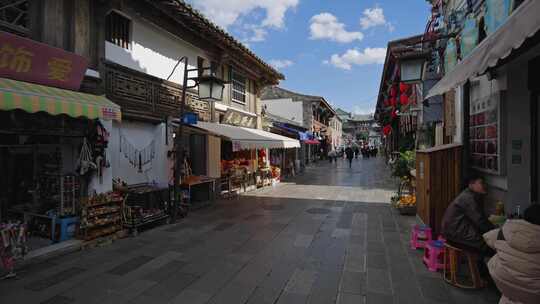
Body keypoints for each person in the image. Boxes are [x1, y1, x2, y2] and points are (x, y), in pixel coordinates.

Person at [483, 204, 540, 304]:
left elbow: (487, 236)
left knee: (496, 258)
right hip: (534, 295)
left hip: (507, 287)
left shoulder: (509, 230)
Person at [441, 175, 496, 256]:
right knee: (490, 248)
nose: (484, 185)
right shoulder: (468, 198)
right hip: (454, 235)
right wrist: (496, 231)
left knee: (487, 241)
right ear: (471, 184)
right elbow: (480, 220)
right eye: (481, 183)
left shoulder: (470, 195)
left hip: (453, 232)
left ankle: (480, 267)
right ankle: (480, 268)